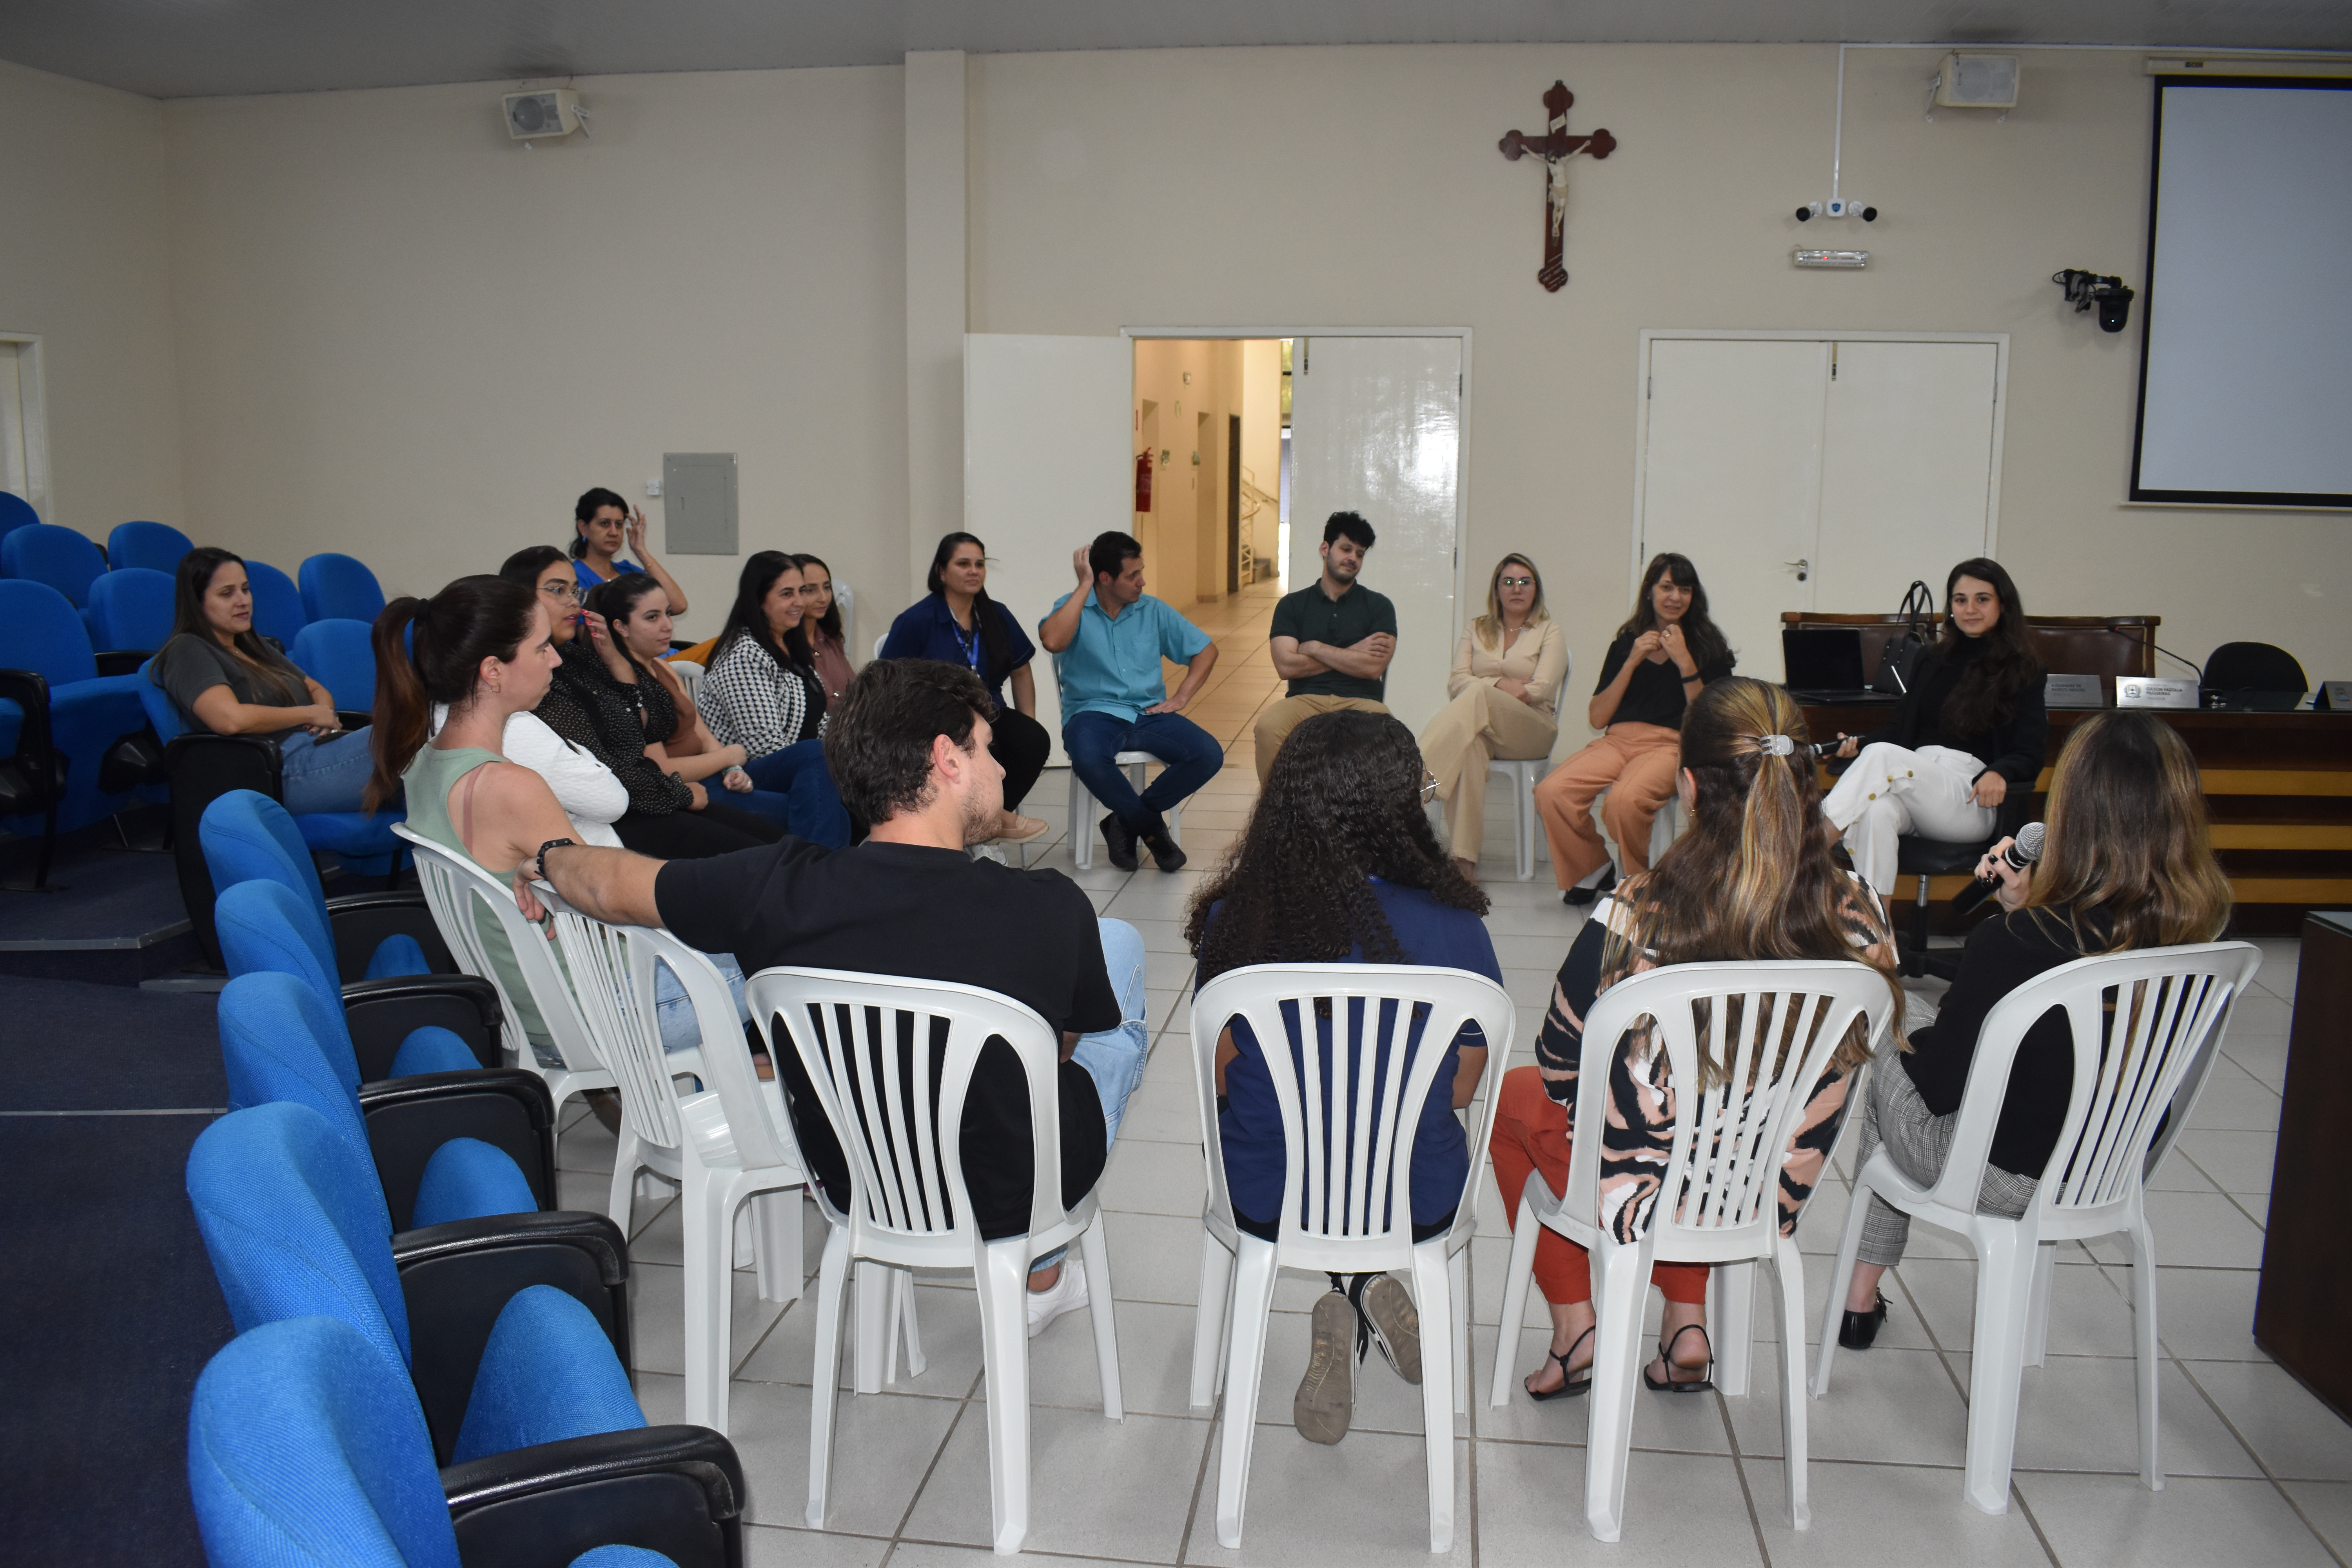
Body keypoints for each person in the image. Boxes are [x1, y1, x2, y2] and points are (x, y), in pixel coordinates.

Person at [517, 657, 1153, 1334]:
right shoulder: (1046, 908)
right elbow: (1059, 1050)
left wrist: (549, 855)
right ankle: (1044, 1265)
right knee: (1116, 985)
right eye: (987, 751)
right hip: (1010, 1195)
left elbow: (609, 887)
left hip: (856, 1181)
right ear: (947, 760)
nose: (999, 770)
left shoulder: (771, 883)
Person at [1492, 678, 1899, 1399]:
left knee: (1519, 1098)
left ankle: (1576, 1329)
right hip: (1765, 1192)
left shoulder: (1637, 911)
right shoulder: (1862, 911)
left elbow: (1562, 1068)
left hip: (1643, 1192)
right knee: (1720, 1119)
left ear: (1688, 785)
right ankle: (1687, 1325)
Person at [1832, 710, 2231, 1350]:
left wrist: (1927, 1020)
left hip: (2005, 1174)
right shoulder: (2202, 937)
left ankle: (1858, 1298)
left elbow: (1936, 1089)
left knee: (1891, 1029)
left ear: (2071, 813)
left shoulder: (2012, 943)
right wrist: (2027, 909)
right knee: (1934, 1036)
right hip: (2110, 1163)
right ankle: (1860, 1297)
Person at [1186, 709, 1501, 1445]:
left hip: (1269, 1196)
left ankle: (1348, 1294)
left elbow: (1226, 1081)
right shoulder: (1455, 929)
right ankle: (1364, 1284)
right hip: (1416, 1196)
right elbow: (1460, 1086)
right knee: (1379, 1143)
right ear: (1401, 808)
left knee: (1273, 1132)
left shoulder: (1241, 920)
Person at [363, 575, 753, 1081]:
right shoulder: (511, 785)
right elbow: (607, 894)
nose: (556, 660)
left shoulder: (423, 764)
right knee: (775, 947)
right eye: (541, 647)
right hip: (598, 1015)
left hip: (530, 1013)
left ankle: (743, 1074)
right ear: (493, 671)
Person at [497, 547, 781, 858]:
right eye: (558, 590)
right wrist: (681, 793)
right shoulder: (533, 681)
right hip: (623, 816)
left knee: (779, 843)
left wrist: (618, 667)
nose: (572, 600)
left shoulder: (578, 660)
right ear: (521, 598)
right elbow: (606, 769)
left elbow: (631, 741)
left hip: (652, 795)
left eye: (574, 589)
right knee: (765, 859)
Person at [1824, 558, 2047, 897]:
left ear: (2004, 604)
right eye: (1960, 600)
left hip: (1970, 798)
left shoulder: (2023, 667)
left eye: (1982, 599)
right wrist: (1860, 743)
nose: (1970, 609)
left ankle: (1806, 848)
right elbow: (1900, 729)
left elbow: (2030, 749)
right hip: (1917, 784)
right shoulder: (1931, 659)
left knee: (1883, 757)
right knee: (1876, 811)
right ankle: (1878, 932)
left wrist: (2001, 771)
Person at [1533, 552, 1733, 907]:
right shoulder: (1627, 642)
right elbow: (1598, 718)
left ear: (1694, 596)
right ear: (1650, 592)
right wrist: (1631, 662)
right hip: (1618, 740)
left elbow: (1710, 717)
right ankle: (1593, 868)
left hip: (1671, 745)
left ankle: (1637, 881)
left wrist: (1684, 660)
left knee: (1624, 802)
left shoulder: (1708, 645)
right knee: (1552, 791)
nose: (1674, 597)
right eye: (1667, 587)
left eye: (1684, 589)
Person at [1038, 531, 1223, 873]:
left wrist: (1182, 697)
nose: (1143, 581)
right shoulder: (1073, 606)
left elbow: (1206, 650)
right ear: (1105, 578)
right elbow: (1052, 640)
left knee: (1208, 754)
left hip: (1149, 713)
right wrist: (1083, 587)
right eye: (1133, 575)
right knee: (1089, 758)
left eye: (1142, 571)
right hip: (1093, 714)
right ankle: (1154, 833)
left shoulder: (1152, 610)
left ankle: (1125, 821)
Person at [149, 547, 379, 814]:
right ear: (196, 601)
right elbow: (229, 720)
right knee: (407, 739)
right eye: (227, 593)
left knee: (419, 750)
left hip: (318, 751)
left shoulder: (249, 644)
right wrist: (307, 713)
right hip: (279, 771)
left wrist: (323, 717)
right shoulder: (188, 649)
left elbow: (316, 689)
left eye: (245, 589)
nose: (243, 601)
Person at [880, 533, 1051, 845]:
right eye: (963, 564)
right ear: (941, 572)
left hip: (990, 710)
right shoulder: (917, 620)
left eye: (980, 564)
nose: (974, 571)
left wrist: (1029, 719)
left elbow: (1022, 670)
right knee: (986, 747)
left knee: (1034, 740)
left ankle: (983, 825)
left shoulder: (995, 614)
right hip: (938, 720)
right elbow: (888, 680)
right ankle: (993, 824)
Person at [1417, 554, 1568, 880]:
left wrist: (1486, 686)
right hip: (1486, 727)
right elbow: (1456, 681)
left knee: (1478, 694)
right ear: (1497, 590)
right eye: (1509, 582)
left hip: (1533, 728)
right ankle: (1464, 862)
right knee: (1468, 749)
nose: (1517, 589)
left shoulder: (1549, 631)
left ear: (1536, 589)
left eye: (1525, 582)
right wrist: (1500, 683)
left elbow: (1539, 689)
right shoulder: (1476, 628)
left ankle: (1414, 783)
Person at [693, 552, 852, 848]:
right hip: (735, 776)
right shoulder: (745, 655)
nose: (800, 603)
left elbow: (817, 723)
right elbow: (762, 748)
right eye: (787, 594)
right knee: (819, 760)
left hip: (791, 768)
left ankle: (813, 879)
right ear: (760, 601)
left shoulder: (791, 645)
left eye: (800, 592)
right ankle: (815, 878)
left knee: (842, 813)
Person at [1252, 512, 1396, 786]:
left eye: (1360, 553)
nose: (1353, 558)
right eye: (1346, 549)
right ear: (1325, 549)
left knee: (1389, 733)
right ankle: (1277, 815)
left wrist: (1315, 648)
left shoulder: (1379, 606)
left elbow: (1373, 667)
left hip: (1362, 702)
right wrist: (1355, 651)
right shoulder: (1292, 605)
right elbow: (1285, 666)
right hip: (1305, 699)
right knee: (1268, 727)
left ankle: (1373, 823)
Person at [586, 571, 755, 792]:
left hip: (713, 776)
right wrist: (728, 756)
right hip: (682, 789)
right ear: (621, 627)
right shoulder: (623, 682)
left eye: (667, 614)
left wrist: (731, 769)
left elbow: (702, 734)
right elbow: (659, 769)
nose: (668, 626)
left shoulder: (661, 665)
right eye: (652, 618)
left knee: (805, 760)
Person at [570, 486, 690, 614]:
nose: (614, 532)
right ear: (583, 528)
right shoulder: (573, 576)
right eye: (605, 524)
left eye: (619, 524)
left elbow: (678, 605)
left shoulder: (629, 572)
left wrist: (641, 551)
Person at [793, 554, 857, 702]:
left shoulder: (831, 638)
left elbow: (854, 693)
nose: (823, 598)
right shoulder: (784, 648)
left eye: (827, 588)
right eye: (811, 590)